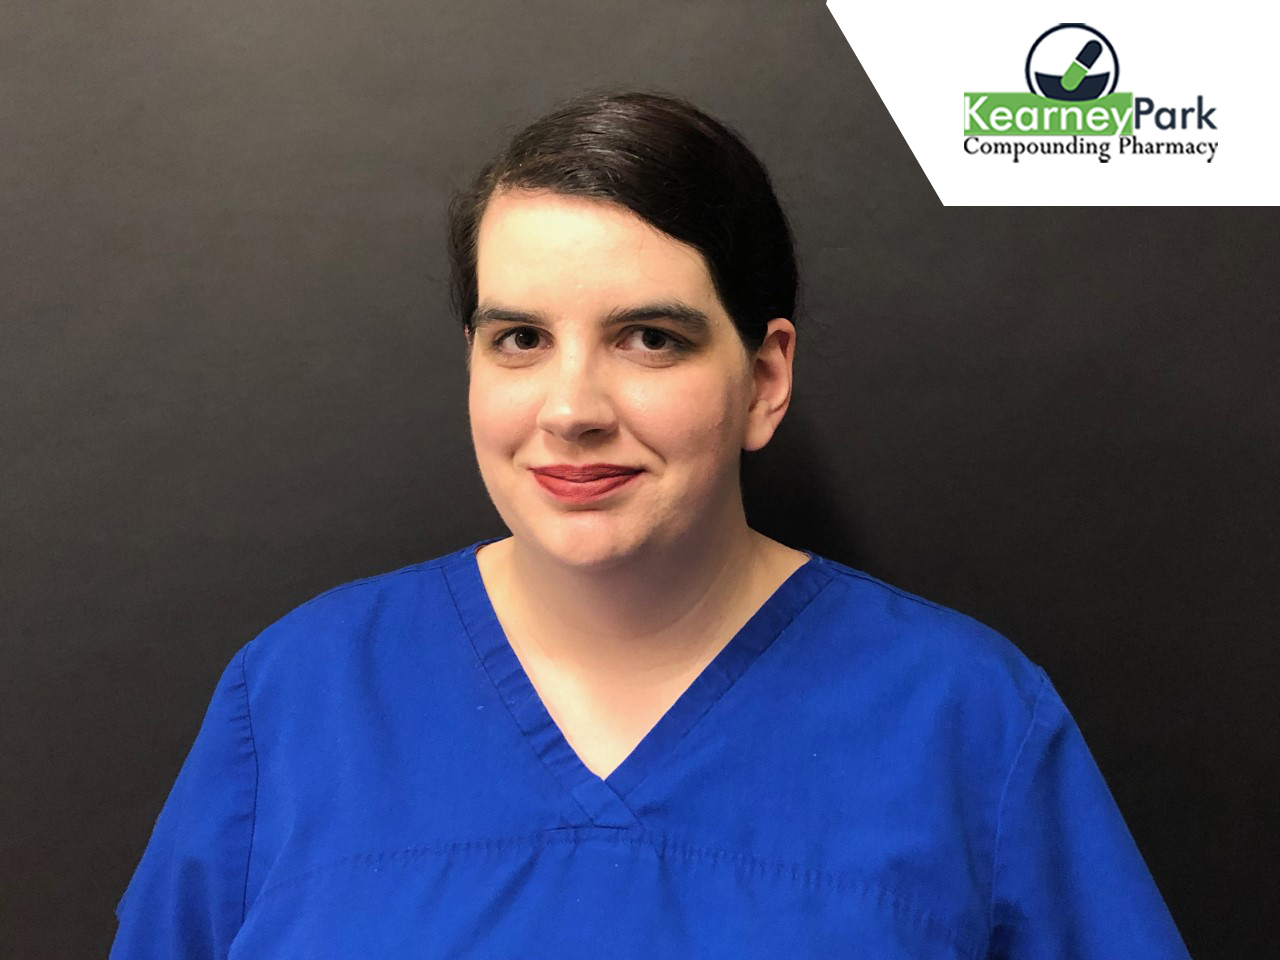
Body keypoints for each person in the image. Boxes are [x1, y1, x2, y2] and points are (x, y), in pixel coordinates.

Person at [110, 91, 1191, 959]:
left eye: (649, 339)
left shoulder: (964, 720)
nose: (571, 410)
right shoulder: (298, 697)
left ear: (765, 379)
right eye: (520, 339)